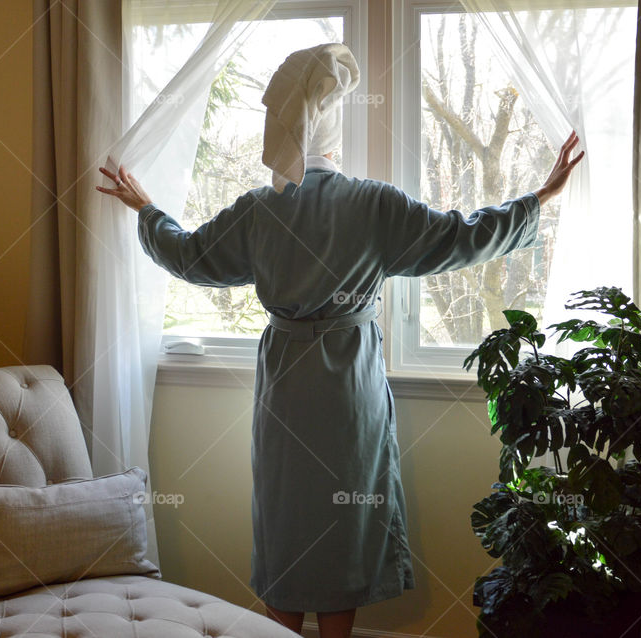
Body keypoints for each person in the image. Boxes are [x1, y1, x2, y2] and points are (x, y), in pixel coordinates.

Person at [97, 42, 583, 638]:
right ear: (335, 133)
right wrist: (537, 200)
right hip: (348, 391)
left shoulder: (259, 211)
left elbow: (189, 255)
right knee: (342, 522)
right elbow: (462, 237)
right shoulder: (372, 203)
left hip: (284, 391)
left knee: (286, 518)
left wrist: (146, 208)